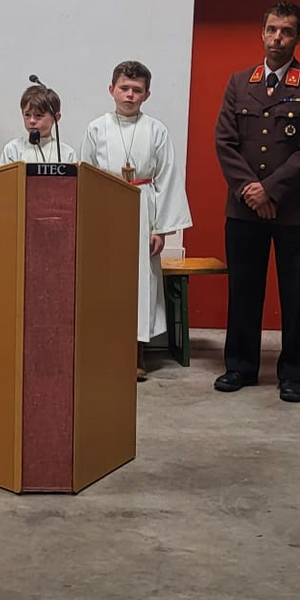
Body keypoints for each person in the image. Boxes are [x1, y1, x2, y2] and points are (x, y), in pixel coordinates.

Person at [213, 2, 300, 403]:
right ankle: (240, 367)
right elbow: (225, 142)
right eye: (271, 30)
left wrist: (271, 190)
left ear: (298, 37)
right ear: (262, 33)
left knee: (295, 294)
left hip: (292, 211)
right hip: (243, 208)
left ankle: (293, 374)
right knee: (244, 289)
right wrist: (252, 190)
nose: (277, 38)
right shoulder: (239, 82)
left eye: (286, 31)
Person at [81, 60, 192, 382]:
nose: (129, 95)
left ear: (147, 95)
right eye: (124, 88)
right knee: (106, 280)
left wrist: (161, 230)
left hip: (144, 208)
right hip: (106, 206)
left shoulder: (156, 130)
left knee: (141, 282)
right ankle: (104, 348)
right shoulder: (96, 128)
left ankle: (135, 351)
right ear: (111, 89)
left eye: (137, 90)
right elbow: (86, 173)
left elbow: (167, 177)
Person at [0, 80, 77, 164]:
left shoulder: (67, 154)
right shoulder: (12, 150)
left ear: (56, 118)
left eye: (38, 115)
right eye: (27, 115)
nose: (32, 121)